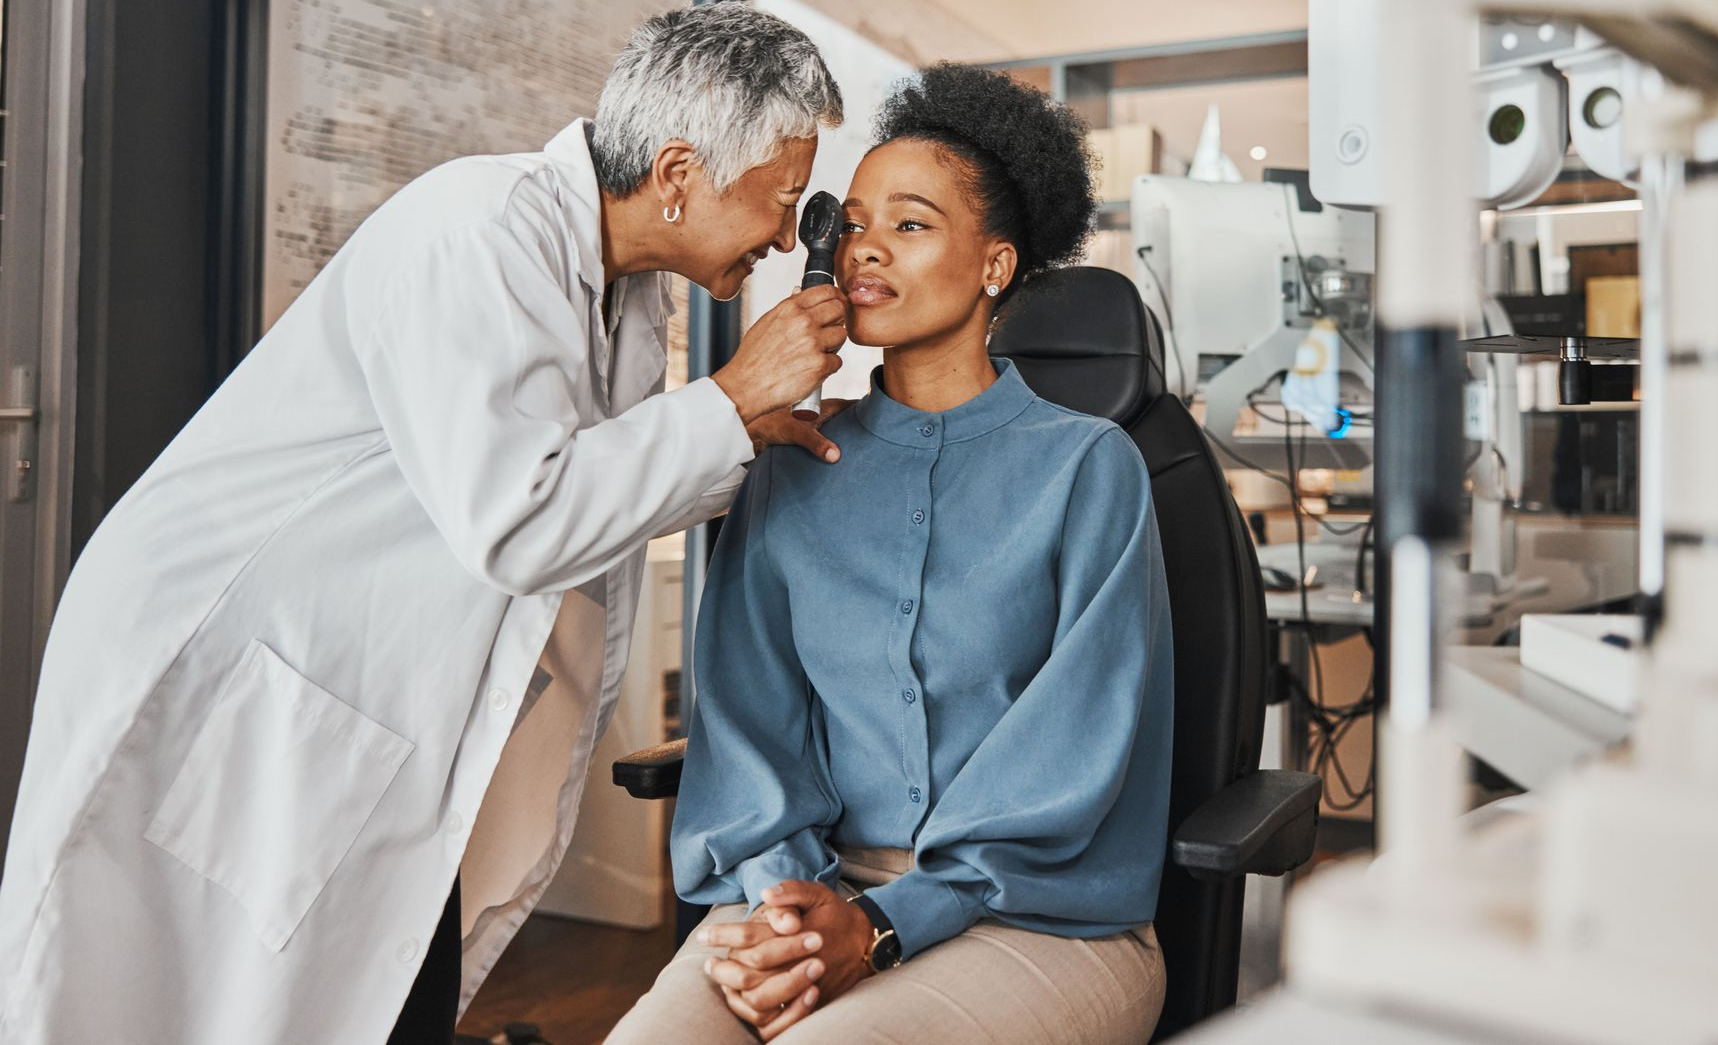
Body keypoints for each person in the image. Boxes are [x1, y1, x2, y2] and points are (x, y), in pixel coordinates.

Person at [0, 7, 850, 1043]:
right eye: (776, 201)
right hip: (230, 664)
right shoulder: (481, 231)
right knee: (169, 995)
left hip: (345, 687)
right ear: (678, 173)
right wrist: (728, 398)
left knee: (369, 976)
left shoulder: (626, 294)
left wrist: (750, 429)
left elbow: (609, 482)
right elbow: (521, 517)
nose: (781, 232)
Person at [606, 64, 1175, 1045]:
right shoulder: (787, 463)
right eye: (855, 222)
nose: (865, 249)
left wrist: (875, 925)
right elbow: (749, 729)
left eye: (910, 225)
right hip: (802, 890)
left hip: (1036, 916)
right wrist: (789, 906)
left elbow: (1069, 763)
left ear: (995, 266)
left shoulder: (1090, 470)